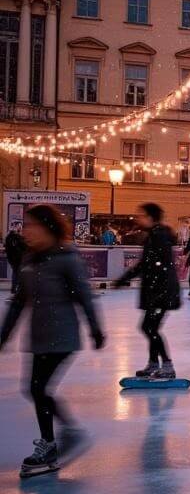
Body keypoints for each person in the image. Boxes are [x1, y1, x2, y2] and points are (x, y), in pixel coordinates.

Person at [0, 205, 105, 478]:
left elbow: (84, 295)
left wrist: (95, 329)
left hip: (62, 335)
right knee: (35, 389)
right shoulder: (29, 259)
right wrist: (5, 334)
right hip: (40, 335)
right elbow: (20, 301)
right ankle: (57, 438)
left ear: (48, 229)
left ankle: (55, 440)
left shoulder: (66, 258)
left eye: (31, 226)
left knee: (37, 388)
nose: (26, 232)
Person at [114, 203, 181, 380]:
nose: (138, 218)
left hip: (162, 292)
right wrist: (125, 279)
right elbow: (147, 263)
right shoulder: (155, 235)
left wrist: (124, 279)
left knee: (149, 327)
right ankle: (154, 364)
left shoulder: (159, 236)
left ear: (150, 218)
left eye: (141, 215)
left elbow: (152, 264)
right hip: (158, 290)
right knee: (150, 327)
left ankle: (167, 365)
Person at [4, 226, 27, 291]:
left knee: (15, 272)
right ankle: (18, 287)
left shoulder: (8, 238)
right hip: (18, 258)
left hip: (11, 258)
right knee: (19, 272)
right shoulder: (18, 237)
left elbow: (6, 248)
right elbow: (24, 246)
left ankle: (13, 287)